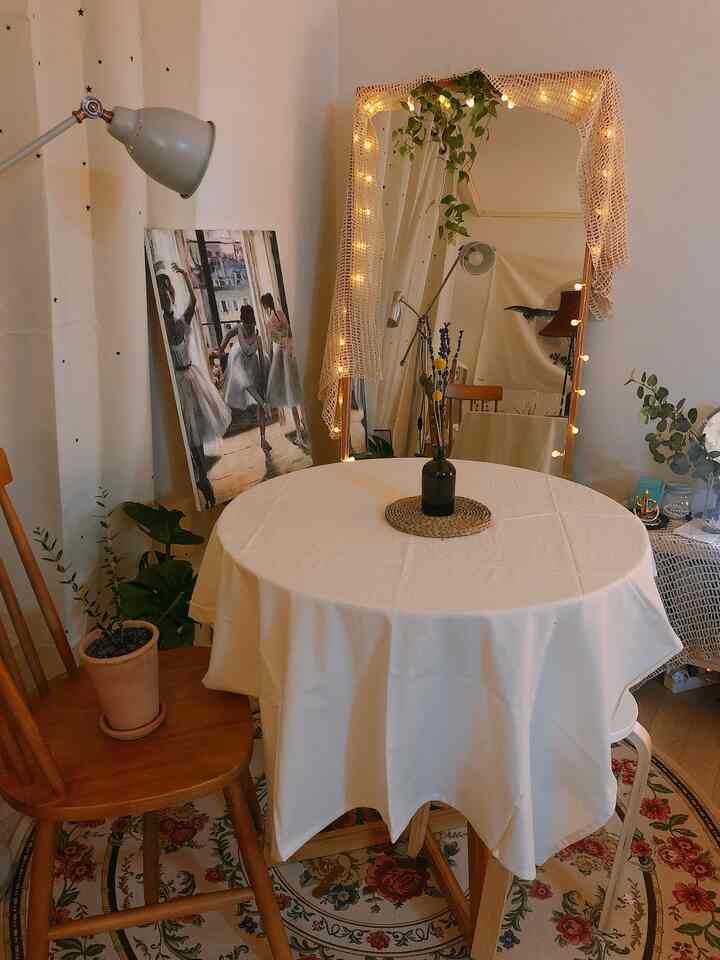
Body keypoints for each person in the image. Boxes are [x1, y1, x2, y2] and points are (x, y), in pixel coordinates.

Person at [157, 262, 231, 508]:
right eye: (162, 292)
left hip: (190, 376)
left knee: (196, 433)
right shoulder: (161, 326)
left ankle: (203, 479)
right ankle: (197, 479)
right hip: (175, 381)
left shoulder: (181, 317)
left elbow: (194, 303)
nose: (167, 295)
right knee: (185, 436)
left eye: (168, 291)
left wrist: (186, 277)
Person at [221, 304, 272, 455]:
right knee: (244, 381)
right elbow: (231, 337)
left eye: (251, 324)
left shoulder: (257, 333)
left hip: (253, 366)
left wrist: (263, 375)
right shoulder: (239, 328)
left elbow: (261, 356)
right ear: (243, 321)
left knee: (260, 402)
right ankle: (264, 404)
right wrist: (222, 347)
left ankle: (263, 439)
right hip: (239, 363)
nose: (249, 326)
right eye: (246, 324)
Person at [261, 292, 307, 447]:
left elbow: (274, 340)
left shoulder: (269, 320)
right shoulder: (280, 313)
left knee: (291, 396)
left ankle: (300, 434)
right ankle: (305, 427)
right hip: (291, 351)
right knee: (298, 393)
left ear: (265, 305)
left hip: (282, 356)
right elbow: (287, 330)